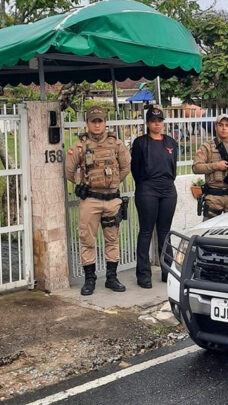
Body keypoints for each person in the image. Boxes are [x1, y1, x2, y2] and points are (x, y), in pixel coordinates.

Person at [65, 106, 130, 295]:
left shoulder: (116, 144)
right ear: (87, 123)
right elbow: (69, 170)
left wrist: (112, 182)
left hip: (111, 200)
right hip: (90, 200)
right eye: (93, 121)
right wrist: (80, 182)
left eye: (100, 121)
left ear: (105, 122)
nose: (97, 124)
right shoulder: (79, 146)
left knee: (112, 239)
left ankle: (111, 278)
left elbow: (125, 167)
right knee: (87, 240)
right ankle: (90, 279)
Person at [131, 105, 179, 288]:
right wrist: (145, 185)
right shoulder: (140, 143)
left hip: (167, 190)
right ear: (148, 123)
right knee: (146, 232)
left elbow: (173, 168)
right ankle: (143, 275)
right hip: (147, 189)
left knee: (165, 232)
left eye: (159, 121)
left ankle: (168, 272)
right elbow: (135, 169)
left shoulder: (170, 142)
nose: (157, 124)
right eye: (153, 121)